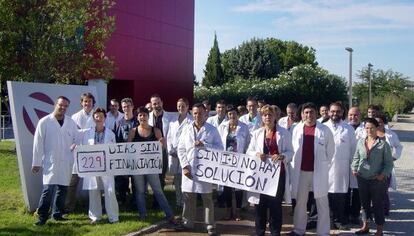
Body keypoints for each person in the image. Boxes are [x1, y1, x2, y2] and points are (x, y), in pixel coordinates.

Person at [177, 103, 223, 235]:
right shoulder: (186, 129)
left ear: (206, 114)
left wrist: (205, 145)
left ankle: (209, 225)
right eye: (195, 113)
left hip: (205, 170)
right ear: (192, 114)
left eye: (200, 113)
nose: (197, 116)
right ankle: (188, 222)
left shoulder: (212, 130)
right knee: (188, 197)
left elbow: (220, 149)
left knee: (207, 199)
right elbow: (181, 149)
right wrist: (185, 166)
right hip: (189, 168)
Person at [246, 105, 293, 236]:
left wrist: (282, 156)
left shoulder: (284, 133)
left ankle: (275, 232)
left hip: (277, 175)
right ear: (262, 117)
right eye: (265, 115)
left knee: (275, 206)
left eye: (270, 115)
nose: (268, 117)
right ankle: (260, 232)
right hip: (260, 175)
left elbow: (291, 152)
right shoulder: (257, 133)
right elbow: (249, 151)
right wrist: (256, 154)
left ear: (275, 117)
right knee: (260, 206)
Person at [32, 96, 79, 226]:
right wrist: (36, 162)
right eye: (60, 105)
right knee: (48, 189)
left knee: (62, 189)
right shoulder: (45, 122)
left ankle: (57, 214)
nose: (63, 108)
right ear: (55, 105)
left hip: (66, 160)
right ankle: (42, 216)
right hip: (50, 161)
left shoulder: (70, 122)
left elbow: (77, 137)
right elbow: (38, 143)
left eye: (65, 106)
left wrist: (75, 144)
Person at [290, 102, 334, 236]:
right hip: (301, 172)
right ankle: (298, 230)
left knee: (322, 202)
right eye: (306, 112)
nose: (309, 115)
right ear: (302, 114)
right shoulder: (296, 129)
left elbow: (330, 152)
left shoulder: (325, 130)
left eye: (312, 112)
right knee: (300, 202)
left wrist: (322, 165)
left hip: (318, 172)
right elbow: (293, 149)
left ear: (316, 113)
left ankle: (323, 232)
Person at [127, 106, 176, 222]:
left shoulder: (156, 130)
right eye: (140, 115)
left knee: (158, 190)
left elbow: (163, 147)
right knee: (140, 191)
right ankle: (143, 215)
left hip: (152, 167)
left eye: (144, 115)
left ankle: (169, 214)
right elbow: (127, 148)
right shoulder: (133, 132)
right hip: (138, 167)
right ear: (137, 117)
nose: (142, 117)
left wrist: (162, 143)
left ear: (148, 117)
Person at [352, 118, 393, 236]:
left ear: (377, 128)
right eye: (367, 128)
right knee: (364, 204)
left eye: (372, 128)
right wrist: (354, 169)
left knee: (377, 205)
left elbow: (389, 163)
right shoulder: (360, 142)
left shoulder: (383, 144)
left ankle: (379, 230)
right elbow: (356, 157)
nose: (369, 130)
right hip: (362, 178)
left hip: (377, 180)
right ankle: (365, 226)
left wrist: (382, 175)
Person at [81, 108, 119, 223]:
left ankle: (113, 217)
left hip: (107, 166)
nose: (99, 119)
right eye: (96, 116)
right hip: (92, 166)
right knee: (93, 191)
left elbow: (114, 150)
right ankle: (95, 217)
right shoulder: (87, 133)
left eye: (101, 116)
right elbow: (83, 148)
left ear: (105, 118)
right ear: (94, 118)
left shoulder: (110, 133)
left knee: (110, 190)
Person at [324, 102, 356, 229]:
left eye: (337, 111)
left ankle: (339, 220)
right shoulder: (323, 127)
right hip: (325, 167)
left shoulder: (348, 129)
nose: (334, 114)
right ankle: (329, 221)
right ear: (328, 112)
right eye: (332, 111)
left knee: (341, 195)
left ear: (342, 113)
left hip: (342, 167)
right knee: (326, 195)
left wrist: (353, 166)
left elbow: (353, 150)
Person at [217, 105, 250, 221]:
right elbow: (218, 143)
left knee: (238, 188)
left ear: (238, 114)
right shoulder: (222, 127)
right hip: (225, 161)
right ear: (227, 115)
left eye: (234, 114)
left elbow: (248, 144)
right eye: (230, 114)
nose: (232, 116)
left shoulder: (244, 127)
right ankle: (228, 211)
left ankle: (238, 212)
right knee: (226, 187)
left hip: (239, 161)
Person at [66, 92, 96, 213]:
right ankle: (68, 208)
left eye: (89, 101)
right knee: (73, 182)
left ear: (93, 103)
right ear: (81, 103)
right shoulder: (74, 117)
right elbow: (72, 135)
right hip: (78, 153)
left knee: (95, 182)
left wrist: (83, 131)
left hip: (93, 153)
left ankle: (95, 208)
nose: (87, 104)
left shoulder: (97, 115)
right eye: (85, 101)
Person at [167, 98, 193, 207]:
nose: (180, 108)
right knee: (177, 179)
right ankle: (178, 201)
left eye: (183, 106)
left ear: (187, 107)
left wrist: (182, 152)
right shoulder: (173, 121)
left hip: (185, 154)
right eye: (179, 106)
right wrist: (170, 150)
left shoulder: (191, 121)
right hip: (173, 154)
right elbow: (169, 137)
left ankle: (185, 201)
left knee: (185, 178)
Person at [375, 114, 402, 216]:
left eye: (380, 122)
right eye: (375, 122)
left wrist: (394, 157)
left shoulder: (391, 135)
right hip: (373, 167)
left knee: (383, 189)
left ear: (383, 123)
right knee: (373, 189)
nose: (378, 124)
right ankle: (374, 209)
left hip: (386, 167)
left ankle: (384, 209)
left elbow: (399, 146)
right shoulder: (369, 134)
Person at [115, 98, 138, 204]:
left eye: (128, 106)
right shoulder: (119, 123)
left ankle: (135, 201)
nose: (126, 108)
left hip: (135, 155)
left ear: (132, 107)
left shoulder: (137, 122)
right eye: (124, 106)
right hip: (123, 155)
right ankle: (121, 200)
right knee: (121, 179)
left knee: (135, 180)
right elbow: (116, 138)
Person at [148, 94, 174, 192]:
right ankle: (153, 194)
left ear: (162, 103)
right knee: (151, 174)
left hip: (163, 150)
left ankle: (159, 197)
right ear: (151, 105)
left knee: (161, 174)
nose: (157, 105)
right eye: (154, 103)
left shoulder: (170, 117)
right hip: (150, 150)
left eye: (158, 103)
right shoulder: (148, 117)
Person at [346, 106, 364, 224]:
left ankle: (355, 214)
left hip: (360, 164)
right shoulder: (344, 127)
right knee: (345, 190)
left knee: (358, 191)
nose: (353, 117)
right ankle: (345, 214)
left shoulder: (365, 128)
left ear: (360, 116)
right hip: (344, 163)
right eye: (351, 115)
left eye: (356, 115)